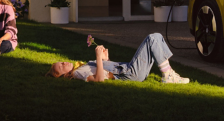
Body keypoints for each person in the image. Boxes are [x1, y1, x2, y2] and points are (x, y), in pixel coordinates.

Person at [47, 33, 188, 84]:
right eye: (61, 66)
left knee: (156, 37)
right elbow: (99, 79)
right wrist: (97, 57)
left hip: (130, 71)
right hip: (130, 73)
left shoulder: (81, 67)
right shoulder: (78, 73)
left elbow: (105, 72)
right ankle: (168, 75)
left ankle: (168, 73)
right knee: (152, 38)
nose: (64, 62)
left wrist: (105, 59)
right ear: (63, 75)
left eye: (61, 62)